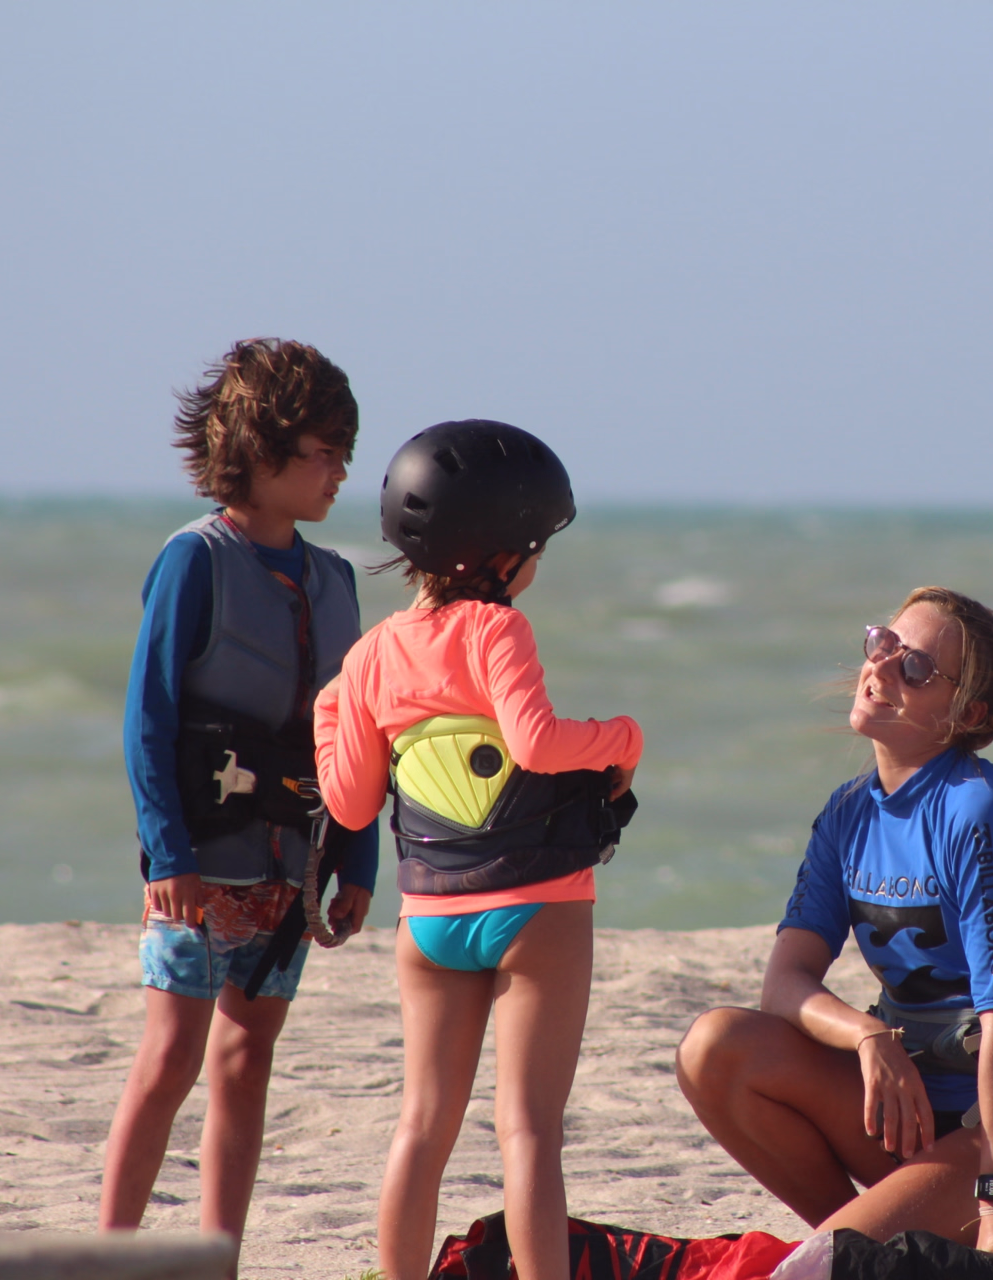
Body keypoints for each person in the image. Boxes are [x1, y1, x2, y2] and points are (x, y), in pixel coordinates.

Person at [675, 587, 993, 1275]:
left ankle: (974, 1242)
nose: (880, 669)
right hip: (919, 1113)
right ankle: (875, 1248)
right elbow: (784, 984)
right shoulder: (850, 813)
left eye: (914, 668)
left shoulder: (978, 812)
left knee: (812, 1269)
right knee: (717, 1049)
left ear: (964, 713)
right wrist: (868, 1034)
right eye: (882, 644)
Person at [313, 420, 644, 1280]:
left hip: (429, 917)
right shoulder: (498, 632)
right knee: (527, 1128)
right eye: (535, 550)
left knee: (421, 1124)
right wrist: (619, 738)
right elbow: (534, 744)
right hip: (535, 903)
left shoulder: (373, 652)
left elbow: (348, 801)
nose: (536, 568)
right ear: (501, 555)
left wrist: (331, 712)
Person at [100, 338, 378, 1265]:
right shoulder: (195, 562)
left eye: (346, 450)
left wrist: (357, 861)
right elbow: (150, 720)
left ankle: (218, 1255)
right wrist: (166, 854)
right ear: (258, 452)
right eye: (322, 451)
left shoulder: (335, 580)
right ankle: (109, 1252)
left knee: (246, 1060)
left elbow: (359, 741)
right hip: (199, 862)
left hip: (290, 872)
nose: (340, 470)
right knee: (171, 1055)